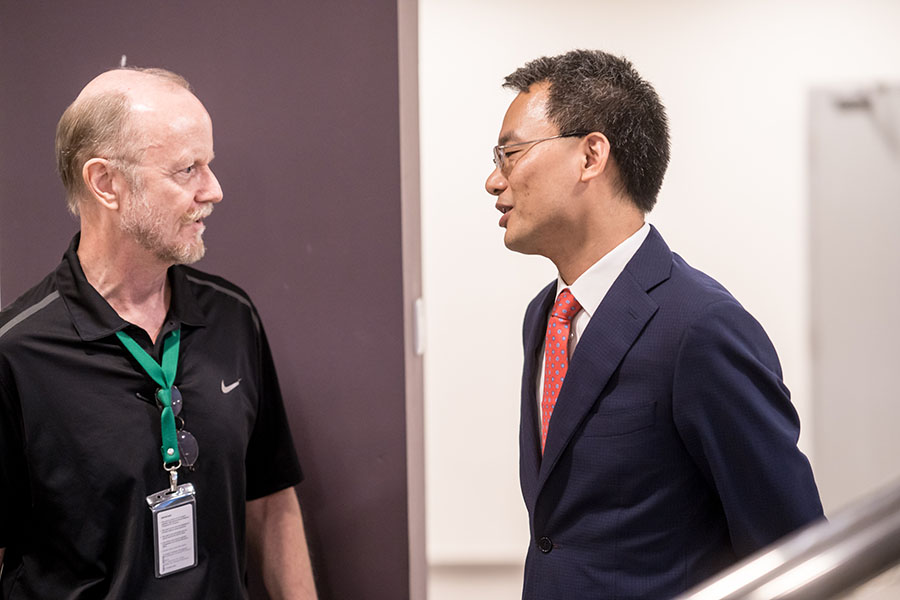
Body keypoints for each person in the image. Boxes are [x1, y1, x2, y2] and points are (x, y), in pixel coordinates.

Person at [485, 50, 823, 599]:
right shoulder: (544, 316)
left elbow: (792, 550)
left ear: (591, 155)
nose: (493, 180)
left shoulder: (700, 327)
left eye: (510, 153)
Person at [0, 67, 317, 599]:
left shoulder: (232, 317)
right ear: (106, 183)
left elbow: (270, 501)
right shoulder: (15, 355)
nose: (213, 190)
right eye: (187, 169)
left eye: (208, 165)